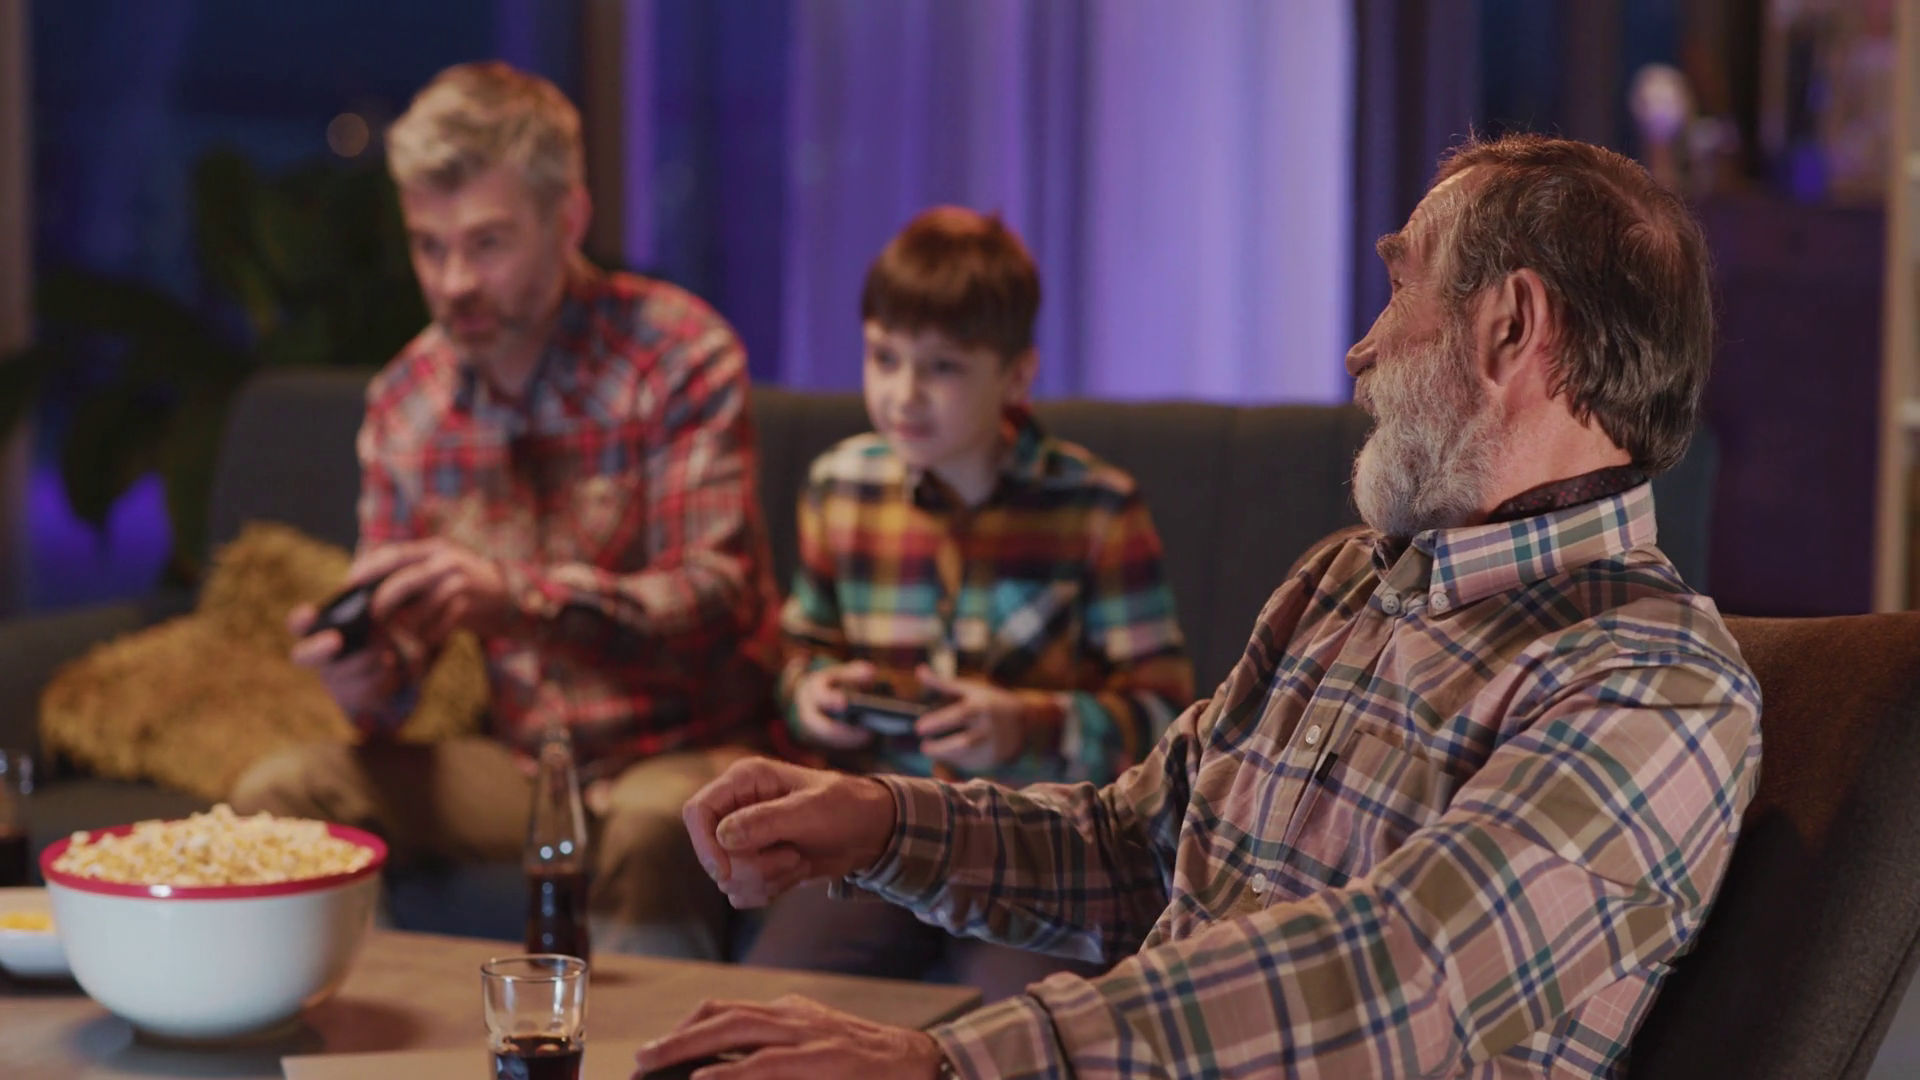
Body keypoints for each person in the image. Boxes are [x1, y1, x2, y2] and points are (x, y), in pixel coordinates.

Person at [637, 134, 1764, 1078]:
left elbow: (1393, 984)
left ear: (1510, 326)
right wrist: (880, 822)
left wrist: (947, 1064)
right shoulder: (1346, 584)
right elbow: (1134, 850)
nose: (1361, 349)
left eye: (1400, 287)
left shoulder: (1654, 683)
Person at [229, 61, 782, 962]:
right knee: (281, 791)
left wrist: (514, 599)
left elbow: (715, 602)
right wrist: (371, 677)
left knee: (653, 825)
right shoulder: (407, 402)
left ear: (569, 219)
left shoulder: (677, 355)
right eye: (428, 246)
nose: (453, 282)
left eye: (487, 244)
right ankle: (381, 1030)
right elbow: (397, 681)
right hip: (527, 767)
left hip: (686, 751)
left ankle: (651, 1042)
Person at [745, 207, 1195, 1002]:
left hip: (1033, 839)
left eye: (943, 368)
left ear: (1016, 376)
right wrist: (812, 694)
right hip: (879, 824)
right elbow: (799, 656)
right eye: (883, 358)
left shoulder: (1096, 508)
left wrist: (1026, 724)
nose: (904, 394)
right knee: (774, 999)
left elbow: (1168, 720)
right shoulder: (841, 488)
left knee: (1025, 1018)